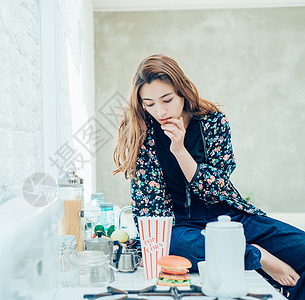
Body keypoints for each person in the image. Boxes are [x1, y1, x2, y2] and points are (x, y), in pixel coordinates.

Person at [113, 54, 305, 298]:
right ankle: (256, 255)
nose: (159, 111)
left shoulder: (213, 122)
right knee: (175, 247)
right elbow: (149, 210)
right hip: (181, 225)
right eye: (149, 104)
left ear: (182, 92)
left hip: (230, 217)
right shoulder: (142, 134)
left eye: (167, 99)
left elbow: (217, 189)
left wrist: (180, 151)